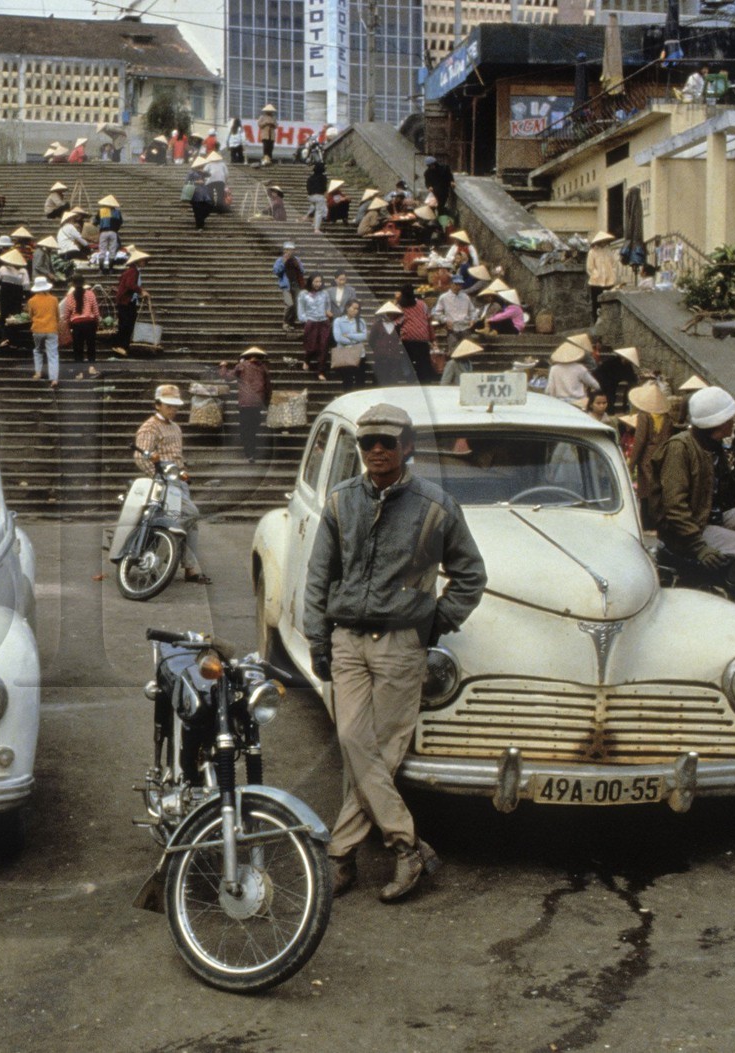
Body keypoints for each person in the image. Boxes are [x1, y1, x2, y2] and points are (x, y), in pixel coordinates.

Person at [303, 402, 485, 903]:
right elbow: (319, 577)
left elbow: (471, 577)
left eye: (388, 442)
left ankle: (341, 857)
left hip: (402, 644)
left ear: (408, 447)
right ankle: (408, 846)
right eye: (368, 443)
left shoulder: (436, 506)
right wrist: (319, 638)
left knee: (377, 751)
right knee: (355, 742)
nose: (377, 451)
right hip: (347, 640)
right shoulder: (341, 501)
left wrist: (434, 622)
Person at [655, 387, 735, 575]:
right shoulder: (680, 447)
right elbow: (674, 506)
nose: (734, 422)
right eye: (730, 418)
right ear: (718, 422)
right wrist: (699, 547)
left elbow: (730, 499)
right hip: (691, 527)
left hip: (713, 516)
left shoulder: (714, 447)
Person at [133, 385, 209, 584]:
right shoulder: (150, 427)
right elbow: (141, 456)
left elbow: (177, 456)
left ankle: (190, 568)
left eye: (175, 406)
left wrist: (181, 472)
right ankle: (156, 560)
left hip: (178, 479)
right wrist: (160, 476)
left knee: (192, 523)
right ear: (157, 405)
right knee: (189, 514)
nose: (173, 410)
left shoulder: (175, 427)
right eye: (168, 406)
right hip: (163, 481)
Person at [626, 381, 674, 528]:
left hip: (647, 457)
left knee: (645, 493)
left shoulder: (644, 416)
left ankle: (647, 526)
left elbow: (640, 441)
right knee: (658, 491)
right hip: (662, 456)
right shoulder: (667, 418)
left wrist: (631, 464)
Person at [220, 346, 272, 462]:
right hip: (257, 403)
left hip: (244, 403)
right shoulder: (263, 368)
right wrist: (267, 403)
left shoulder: (241, 366)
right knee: (253, 428)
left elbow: (227, 377)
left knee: (245, 427)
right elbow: (268, 387)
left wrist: (223, 366)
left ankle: (248, 452)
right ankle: (251, 452)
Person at [367, 301, 418, 385]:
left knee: (393, 380)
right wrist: (379, 349)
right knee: (381, 379)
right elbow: (371, 340)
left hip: (394, 357)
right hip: (381, 357)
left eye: (392, 313)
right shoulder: (377, 325)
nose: (390, 315)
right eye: (388, 313)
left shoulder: (397, 326)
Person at [60, 275, 100, 378]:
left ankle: (80, 372)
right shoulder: (90, 294)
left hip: (77, 324)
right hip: (90, 323)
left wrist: (69, 324)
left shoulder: (69, 297)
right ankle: (91, 368)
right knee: (91, 346)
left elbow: (66, 314)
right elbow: (96, 311)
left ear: (72, 284)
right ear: (84, 283)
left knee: (78, 348)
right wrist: (97, 322)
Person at [396, 284, 437, 383]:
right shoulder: (422, 304)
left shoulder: (400, 306)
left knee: (407, 361)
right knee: (423, 363)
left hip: (408, 338)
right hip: (422, 337)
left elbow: (397, 322)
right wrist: (433, 339)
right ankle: (424, 382)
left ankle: (410, 380)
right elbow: (428, 321)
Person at [113, 248, 149, 355]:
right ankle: (121, 346)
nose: (145, 263)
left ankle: (123, 345)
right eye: (143, 260)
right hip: (125, 302)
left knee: (127, 323)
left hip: (127, 301)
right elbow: (130, 285)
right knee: (126, 324)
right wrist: (141, 291)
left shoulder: (132, 271)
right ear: (138, 261)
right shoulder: (133, 271)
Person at [0, 248, 31, 351]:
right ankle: (13, 340)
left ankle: (4, 339)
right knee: (15, 318)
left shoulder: (3, 269)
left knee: (4, 317)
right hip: (17, 297)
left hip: (5, 296)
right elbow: (26, 288)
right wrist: (27, 300)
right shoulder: (23, 271)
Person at [27, 277, 61, 389]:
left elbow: (31, 316)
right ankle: (54, 379)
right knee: (53, 355)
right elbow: (57, 315)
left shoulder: (31, 301)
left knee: (38, 350)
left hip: (37, 329)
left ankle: (38, 372)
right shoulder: (54, 299)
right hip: (51, 329)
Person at [330, 301, 369, 391]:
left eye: (357, 309)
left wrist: (349, 335)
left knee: (360, 380)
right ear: (347, 308)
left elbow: (363, 336)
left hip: (359, 354)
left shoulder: (361, 321)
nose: (356, 311)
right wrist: (354, 340)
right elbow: (338, 338)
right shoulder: (338, 321)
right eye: (354, 308)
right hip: (345, 353)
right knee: (347, 380)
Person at [299, 274, 332, 377]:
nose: (318, 284)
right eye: (316, 282)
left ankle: (321, 371)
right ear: (311, 282)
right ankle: (307, 359)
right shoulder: (304, 294)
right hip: (311, 322)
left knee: (324, 347)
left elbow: (328, 306)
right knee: (311, 346)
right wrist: (306, 320)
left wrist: (328, 314)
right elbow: (301, 310)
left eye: (320, 282)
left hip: (323, 322)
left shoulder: (325, 293)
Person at [431, 281, 477, 354]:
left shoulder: (465, 297)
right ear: (451, 284)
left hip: (465, 327)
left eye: (459, 285)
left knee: (468, 352)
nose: (457, 287)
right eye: (456, 284)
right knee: (453, 351)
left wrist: (473, 319)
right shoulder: (444, 297)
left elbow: (472, 311)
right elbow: (437, 313)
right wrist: (445, 320)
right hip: (452, 328)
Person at [586, 231, 620, 318]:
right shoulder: (592, 252)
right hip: (596, 282)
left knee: (609, 301)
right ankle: (596, 320)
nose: (604, 242)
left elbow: (614, 264)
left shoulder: (608, 251)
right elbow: (590, 267)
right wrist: (596, 275)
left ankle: (608, 319)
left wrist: (613, 274)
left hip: (609, 280)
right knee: (596, 302)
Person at [273, 242, 306, 329]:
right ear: (284, 250)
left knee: (297, 305)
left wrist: (298, 265)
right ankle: (285, 322)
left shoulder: (297, 259)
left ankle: (291, 322)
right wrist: (283, 262)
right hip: (286, 286)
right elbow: (276, 271)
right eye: (287, 250)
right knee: (289, 304)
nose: (289, 252)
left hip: (296, 285)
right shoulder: (280, 260)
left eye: (291, 250)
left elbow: (302, 271)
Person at [96, 195, 124, 273]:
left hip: (103, 232)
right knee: (112, 250)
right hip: (113, 232)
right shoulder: (117, 212)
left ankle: (101, 269)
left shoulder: (100, 211)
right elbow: (120, 222)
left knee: (102, 250)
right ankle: (111, 268)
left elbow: (95, 221)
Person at [187, 166, 214, 230]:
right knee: (197, 211)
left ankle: (201, 219)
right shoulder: (191, 173)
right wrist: (196, 182)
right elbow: (186, 182)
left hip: (204, 194)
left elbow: (209, 175)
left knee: (210, 205)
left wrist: (203, 171)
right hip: (195, 194)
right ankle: (199, 226)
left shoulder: (202, 173)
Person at [306, 163, 328, 234]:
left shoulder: (310, 178)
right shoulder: (323, 177)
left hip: (311, 196)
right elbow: (324, 188)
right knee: (319, 212)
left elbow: (308, 187)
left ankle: (313, 223)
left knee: (315, 209)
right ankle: (316, 229)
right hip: (319, 196)